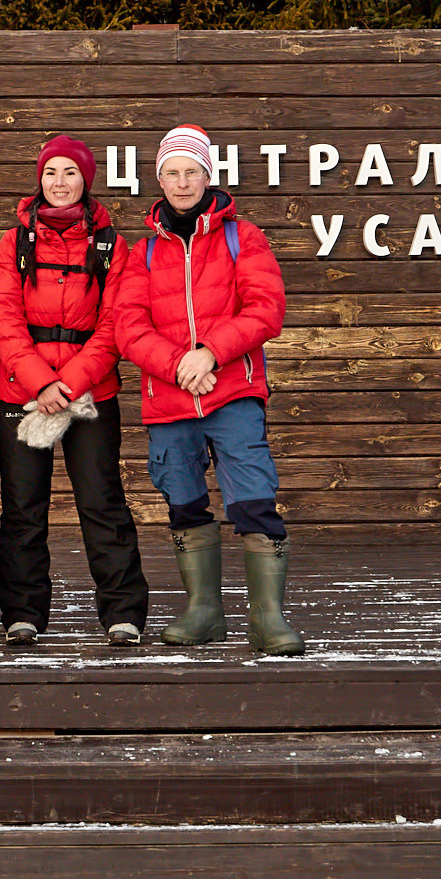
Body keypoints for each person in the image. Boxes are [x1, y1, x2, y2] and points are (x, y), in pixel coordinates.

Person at [112, 124, 304, 655]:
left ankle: (269, 618)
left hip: (233, 391)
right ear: (159, 179)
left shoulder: (244, 237)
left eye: (190, 171)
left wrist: (210, 353)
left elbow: (266, 308)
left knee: (254, 499)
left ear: (207, 175)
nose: (181, 182)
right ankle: (205, 612)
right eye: (171, 173)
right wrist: (180, 365)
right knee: (184, 503)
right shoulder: (143, 253)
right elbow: (128, 326)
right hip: (170, 399)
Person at [0, 135, 151, 647]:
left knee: (102, 501)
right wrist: (41, 382)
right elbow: (4, 319)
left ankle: (122, 612)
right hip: (20, 391)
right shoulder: (14, 243)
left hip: (90, 392)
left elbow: (116, 325)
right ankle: (23, 613)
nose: (60, 183)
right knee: (23, 505)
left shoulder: (110, 244)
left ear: (87, 179)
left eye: (70, 173)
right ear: (40, 179)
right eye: (51, 172)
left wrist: (71, 383)